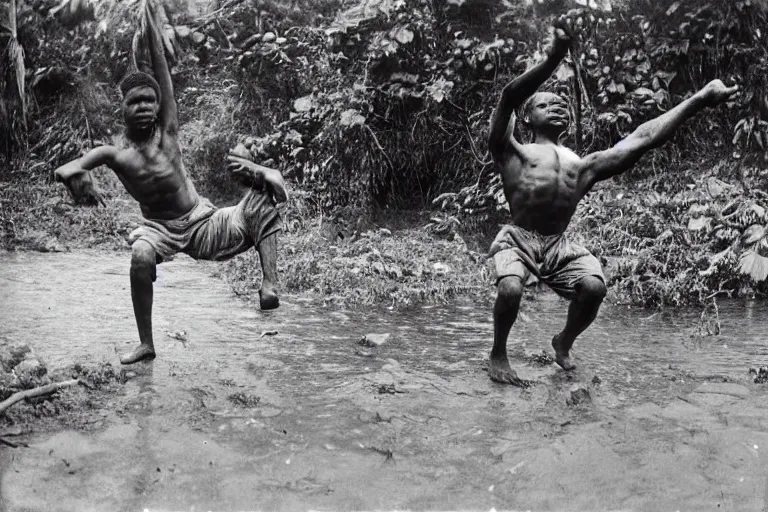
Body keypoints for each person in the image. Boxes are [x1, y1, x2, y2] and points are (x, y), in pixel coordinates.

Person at [486, 23, 738, 386]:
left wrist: (698, 99)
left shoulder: (583, 165)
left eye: (561, 104)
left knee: (594, 288)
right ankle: (498, 354)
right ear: (527, 117)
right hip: (520, 238)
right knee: (510, 288)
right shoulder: (512, 151)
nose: (556, 106)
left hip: (558, 244)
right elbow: (510, 95)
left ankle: (563, 342)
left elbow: (642, 138)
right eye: (544, 103)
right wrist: (554, 57)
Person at [54, 1, 287, 365]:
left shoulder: (168, 133)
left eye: (150, 100)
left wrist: (150, 29)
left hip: (202, 221)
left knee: (260, 197)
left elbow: (163, 75)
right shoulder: (115, 155)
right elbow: (66, 168)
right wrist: (78, 179)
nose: (145, 106)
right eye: (136, 102)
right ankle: (146, 343)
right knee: (140, 255)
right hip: (159, 230)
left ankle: (269, 284)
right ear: (124, 109)